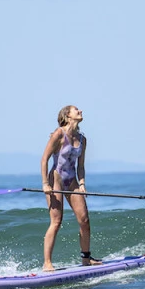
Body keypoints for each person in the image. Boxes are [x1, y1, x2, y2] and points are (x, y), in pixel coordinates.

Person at [40, 105, 102, 271]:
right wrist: (45, 184)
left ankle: (86, 258)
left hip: (72, 181)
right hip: (56, 180)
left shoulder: (82, 139)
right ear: (67, 116)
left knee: (84, 220)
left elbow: (80, 166)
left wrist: (82, 184)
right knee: (56, 221)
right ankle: (47, 262)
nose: (80, 111)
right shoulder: (59, 134)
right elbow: (44, 159)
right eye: (76, 110)